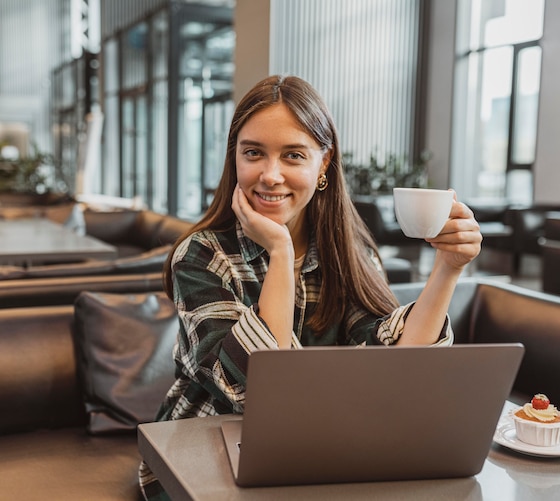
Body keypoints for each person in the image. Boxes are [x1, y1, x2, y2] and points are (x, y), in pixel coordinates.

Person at [139, 74, 482, 499]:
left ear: (323, 165)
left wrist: (448, 268)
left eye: (293, 155)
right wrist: (281, 254)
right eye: (253, 153)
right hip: (199, 457)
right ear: (234, 159)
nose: (270, 175)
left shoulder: (350, 253)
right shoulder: (200, 255)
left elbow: (400, 371)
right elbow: (255, 391)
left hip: (316, 451)